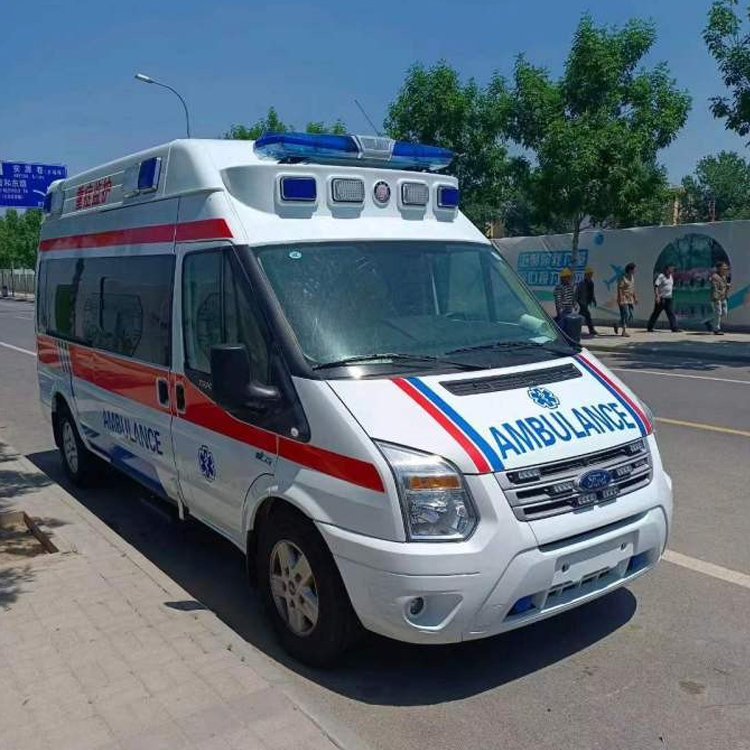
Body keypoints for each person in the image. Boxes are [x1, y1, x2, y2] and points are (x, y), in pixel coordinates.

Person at [646, 264, 680, 332]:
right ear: (666, 269)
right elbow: (656, 286)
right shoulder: (661, 276)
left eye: (672, 269)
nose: (672, 270)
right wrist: (657, 296)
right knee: (656, 313)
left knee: (671, 313)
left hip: (669, 298)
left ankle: (674, 328)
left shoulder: (671, 276)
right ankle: (650, 327)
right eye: (670, 269)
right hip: (662, 298)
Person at [704, 262, 731, 335]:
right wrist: (715, 298)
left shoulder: (724, 276)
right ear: (719, 268)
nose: (726, 269)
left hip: (723, 297)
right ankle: (716, 329)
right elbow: (714, 288)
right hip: (717, 297)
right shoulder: (715, 277)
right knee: (718, 313)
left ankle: (708, 321)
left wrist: (727, 291)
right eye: (724, 267)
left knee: (724, 312)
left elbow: (724, 286)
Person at [614, 262, 637, 337]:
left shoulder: (632, 278)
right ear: (630, 270)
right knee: (625, 315)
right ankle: (624, 331)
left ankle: (617, 324)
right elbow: (620, 288)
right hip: (623, 299)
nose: (635, 271)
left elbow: (632, 288)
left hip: (630, 299)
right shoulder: (623, 278)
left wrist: (635, 297)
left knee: (630, 315)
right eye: (634, 269)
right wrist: (620, 299)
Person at [576, 267, 598, 336]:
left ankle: (575, 328)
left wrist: (594, 300)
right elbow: (577, 292)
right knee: (588, 315)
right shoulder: (581, 283)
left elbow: (592, 293)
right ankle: (591, 329)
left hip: (587, 302)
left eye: (591, 274)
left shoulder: (591, 283)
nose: (590, 276)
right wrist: (576, 301)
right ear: (586, 275)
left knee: (580, 316)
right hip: (582, 302)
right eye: (589, 274)